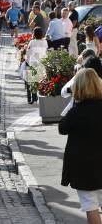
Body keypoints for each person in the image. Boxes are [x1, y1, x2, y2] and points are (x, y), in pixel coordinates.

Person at [59, 68, 102, 224]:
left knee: (91, 206)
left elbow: (62, 128)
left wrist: (74, 103)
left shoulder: (78, 111)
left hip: (84, 167)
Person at [24, 27, 48, 104]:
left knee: (31, 81)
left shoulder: (32, 42)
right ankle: (40, 96)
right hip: (42, 62)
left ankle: (31, 98)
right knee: (40, 80)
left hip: (33, 62)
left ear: (34, 34)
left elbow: (28, 52)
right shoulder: (45, 42)